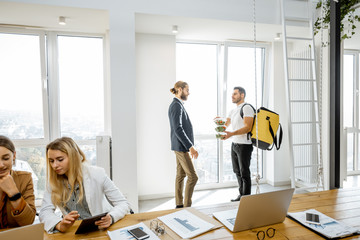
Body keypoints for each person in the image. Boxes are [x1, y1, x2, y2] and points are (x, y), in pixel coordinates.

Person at [39, 137, 131, 233]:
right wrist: (59, 225)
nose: (54, 165)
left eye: (60, 159)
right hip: (73, 231)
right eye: (51, 161)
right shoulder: (53, 182)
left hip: (99, 229)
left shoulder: (97, 174)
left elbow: (123, 203)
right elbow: (45, 212)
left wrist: (111, 217)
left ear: (73, 157)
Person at [168, 81, 199, 208]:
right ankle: (187, 207)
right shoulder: (176, 105)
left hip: (179, 146)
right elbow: (178, 128)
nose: (188, 92)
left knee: (180, 175)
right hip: (181, 147)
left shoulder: (178, 105)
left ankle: (179, 205)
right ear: (180, 90)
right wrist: (190, 147)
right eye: (187, 90)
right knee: (193, 177)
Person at [222, 87, 255, 202]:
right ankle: (241, 195)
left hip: (244, 145)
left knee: (244, 172)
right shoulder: (233, 110)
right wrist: (218, 122)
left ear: (242, 95)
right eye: (232, 94)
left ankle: (246, 199)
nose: (232, 96)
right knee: (237, 171)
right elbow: (225, 125)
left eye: (235, 94)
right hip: (235, 144)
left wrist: (231, 134)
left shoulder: (247, 108)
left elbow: (248, 127)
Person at [0, 135, 36, 228]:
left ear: (14, 156)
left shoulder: (25, 178)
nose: (1, 165)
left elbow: (28, 222)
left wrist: (13, 192)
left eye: (6, 158)